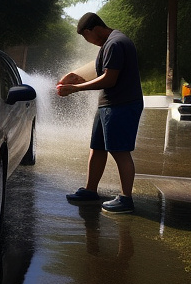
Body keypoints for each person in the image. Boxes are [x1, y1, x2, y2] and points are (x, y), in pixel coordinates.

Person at [57, 12, 144, 213]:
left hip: (121, 105)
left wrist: (76, 89)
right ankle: (90, 190)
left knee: (120, 151)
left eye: (85, 37)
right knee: (97, 147)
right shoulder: (110, 43)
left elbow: (109, 79)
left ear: (92, 30)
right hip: (109, 104)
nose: (87, 42)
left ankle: (126, 199)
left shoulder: (115, 43)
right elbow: (105, 73)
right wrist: (78, 79)